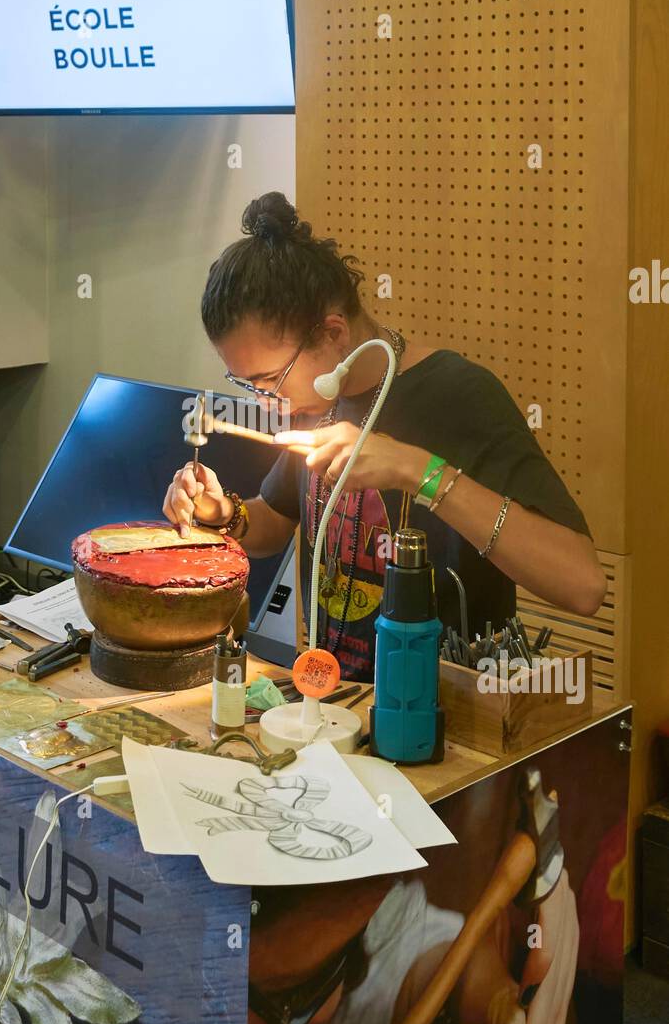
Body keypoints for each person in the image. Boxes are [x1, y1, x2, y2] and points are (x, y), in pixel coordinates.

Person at [164, 192, 606, 680]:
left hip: (445, 721)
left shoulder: (459, 395)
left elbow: (582, 586)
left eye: (271, 380)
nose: (269, 403)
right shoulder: (319, 400)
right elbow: (281, 515)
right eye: (247, 385)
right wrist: (225, 513)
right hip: (338, 704)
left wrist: (416, 470)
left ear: (333, 334)